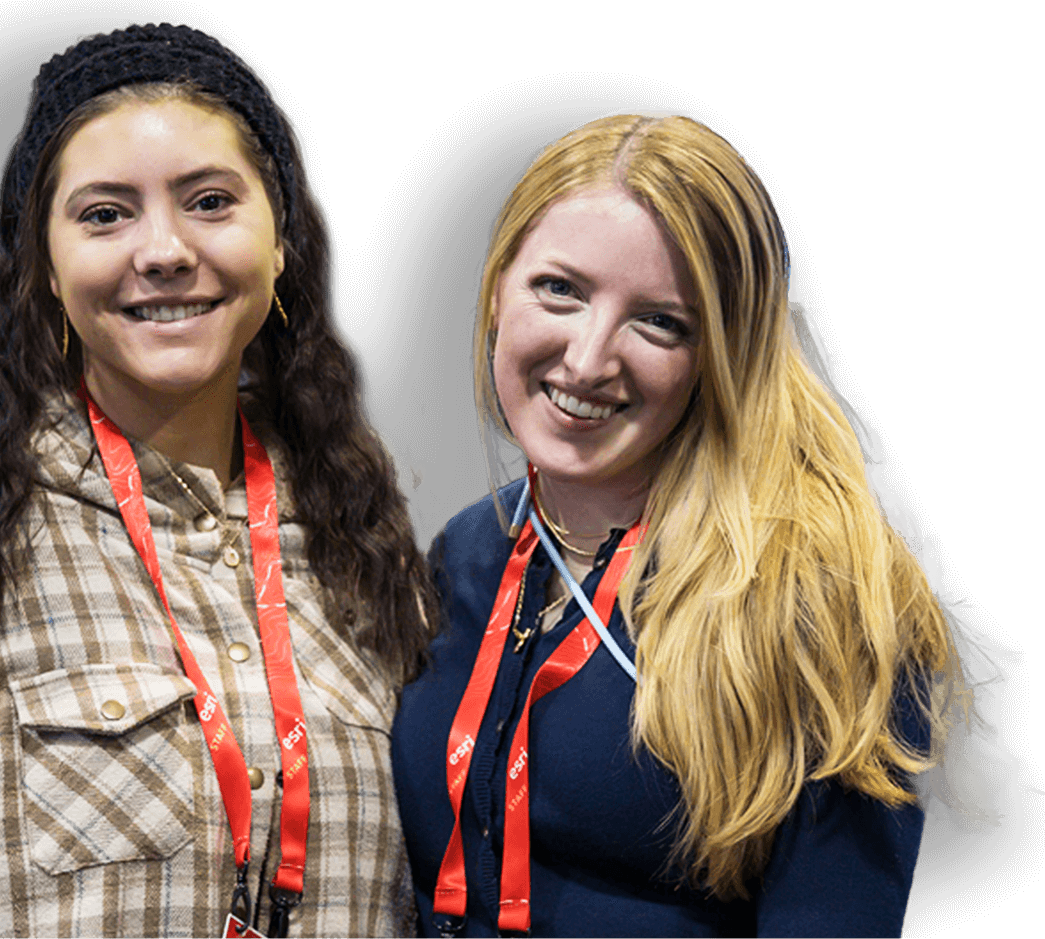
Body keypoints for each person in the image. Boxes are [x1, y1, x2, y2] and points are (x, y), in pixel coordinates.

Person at [0, 22, 437, 938]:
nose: (162, 250)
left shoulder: (364, 541)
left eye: (210, 201)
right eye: (106, 213)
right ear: (46, 268)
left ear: (282, 243)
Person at [391, 109, 997, 937]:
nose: (587, 358)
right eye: (559, 289)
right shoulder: (459, 552)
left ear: (723, 351)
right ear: (498, 289)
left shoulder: (828, 599)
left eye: (659, 321)